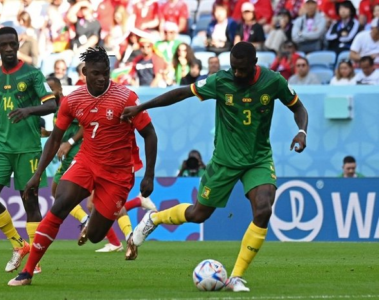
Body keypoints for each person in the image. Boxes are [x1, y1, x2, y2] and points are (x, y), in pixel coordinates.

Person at [121, 42, 308, 292]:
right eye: (233, 68)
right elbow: (180, 93)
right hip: (224, 162)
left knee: (263, 210)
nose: (236, 74)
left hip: (258, 159)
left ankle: (236, 277)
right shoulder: (221, 81)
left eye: (241, 69)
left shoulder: (273, 81)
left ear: (254, 64)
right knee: (199, 214)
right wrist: (142, 107)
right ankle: (154, 219)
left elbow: (298, 107)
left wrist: (302, 131)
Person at [8, 47, 158, 286]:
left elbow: (150, 134)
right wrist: (37, 175)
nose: (101, 78)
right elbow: (55, 138)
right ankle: (27, 271)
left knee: (97, 236)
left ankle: (95, 218)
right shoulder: (73, 100)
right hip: (87, 161)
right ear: (84, 72)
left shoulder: (125, 98)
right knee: (61, 203)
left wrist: (149, 175)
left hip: (118, 172)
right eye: (96, 73)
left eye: (105, 73)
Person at [0, 26, 56, 274]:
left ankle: (34, 259)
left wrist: (28, 110)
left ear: (18, 45)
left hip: (27, 147)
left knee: (30, 201)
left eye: (12, 44)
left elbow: (51, 104)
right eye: (3, 45)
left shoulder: (32, 75)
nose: (8, 48)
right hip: (0, 146)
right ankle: (18, 245)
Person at [45, 76, 157, 254]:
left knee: (94, 204)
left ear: (59, 90)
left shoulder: (75, 101)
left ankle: (123, 237)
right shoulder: (59, 108)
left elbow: (86, 127)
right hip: (71, 158)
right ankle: (120, 228)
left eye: (51, 89)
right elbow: (69, 128)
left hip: (89, 156)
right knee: (59, 193)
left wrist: (70, 143)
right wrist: (49, 133)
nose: (48, 93)